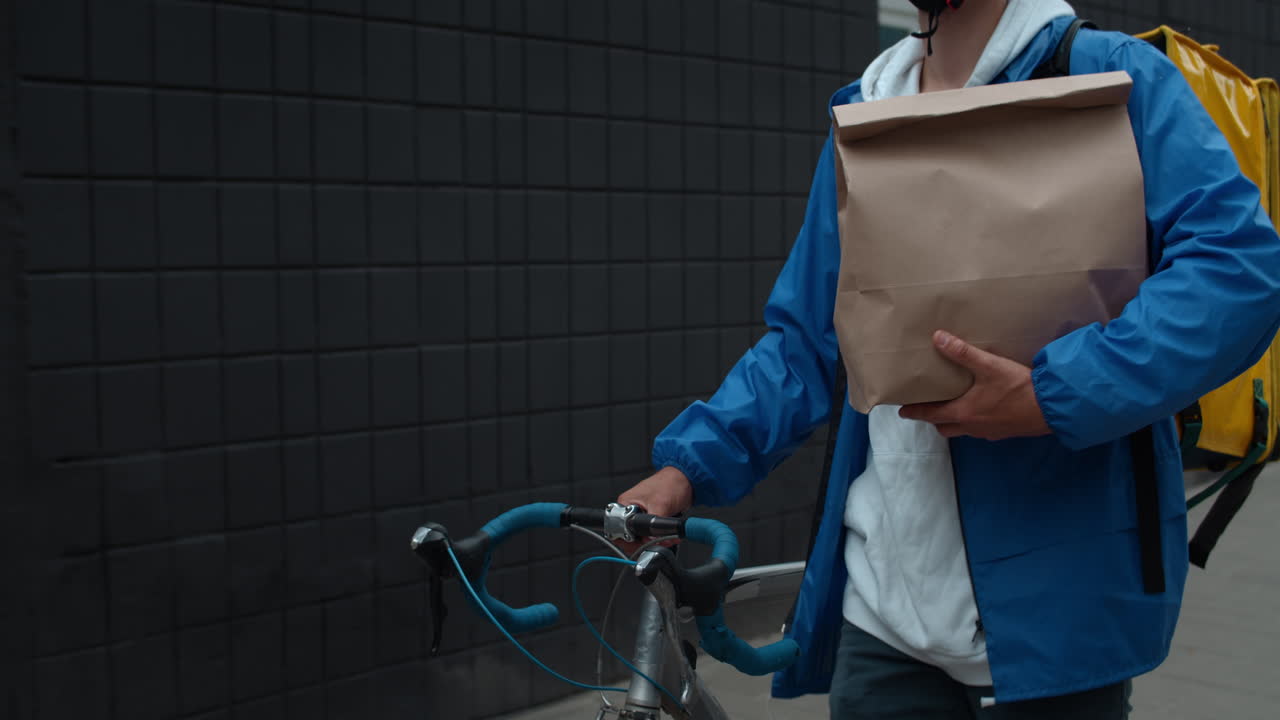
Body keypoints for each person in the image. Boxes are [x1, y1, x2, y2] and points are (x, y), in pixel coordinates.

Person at [615, 0, 1280, 718]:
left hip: (1056, 623)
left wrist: (1054, 393)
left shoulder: (1110, 76)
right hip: (883, 621)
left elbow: (1236, 270)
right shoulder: (867, 115)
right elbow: (808, 340)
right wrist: (690, 464)